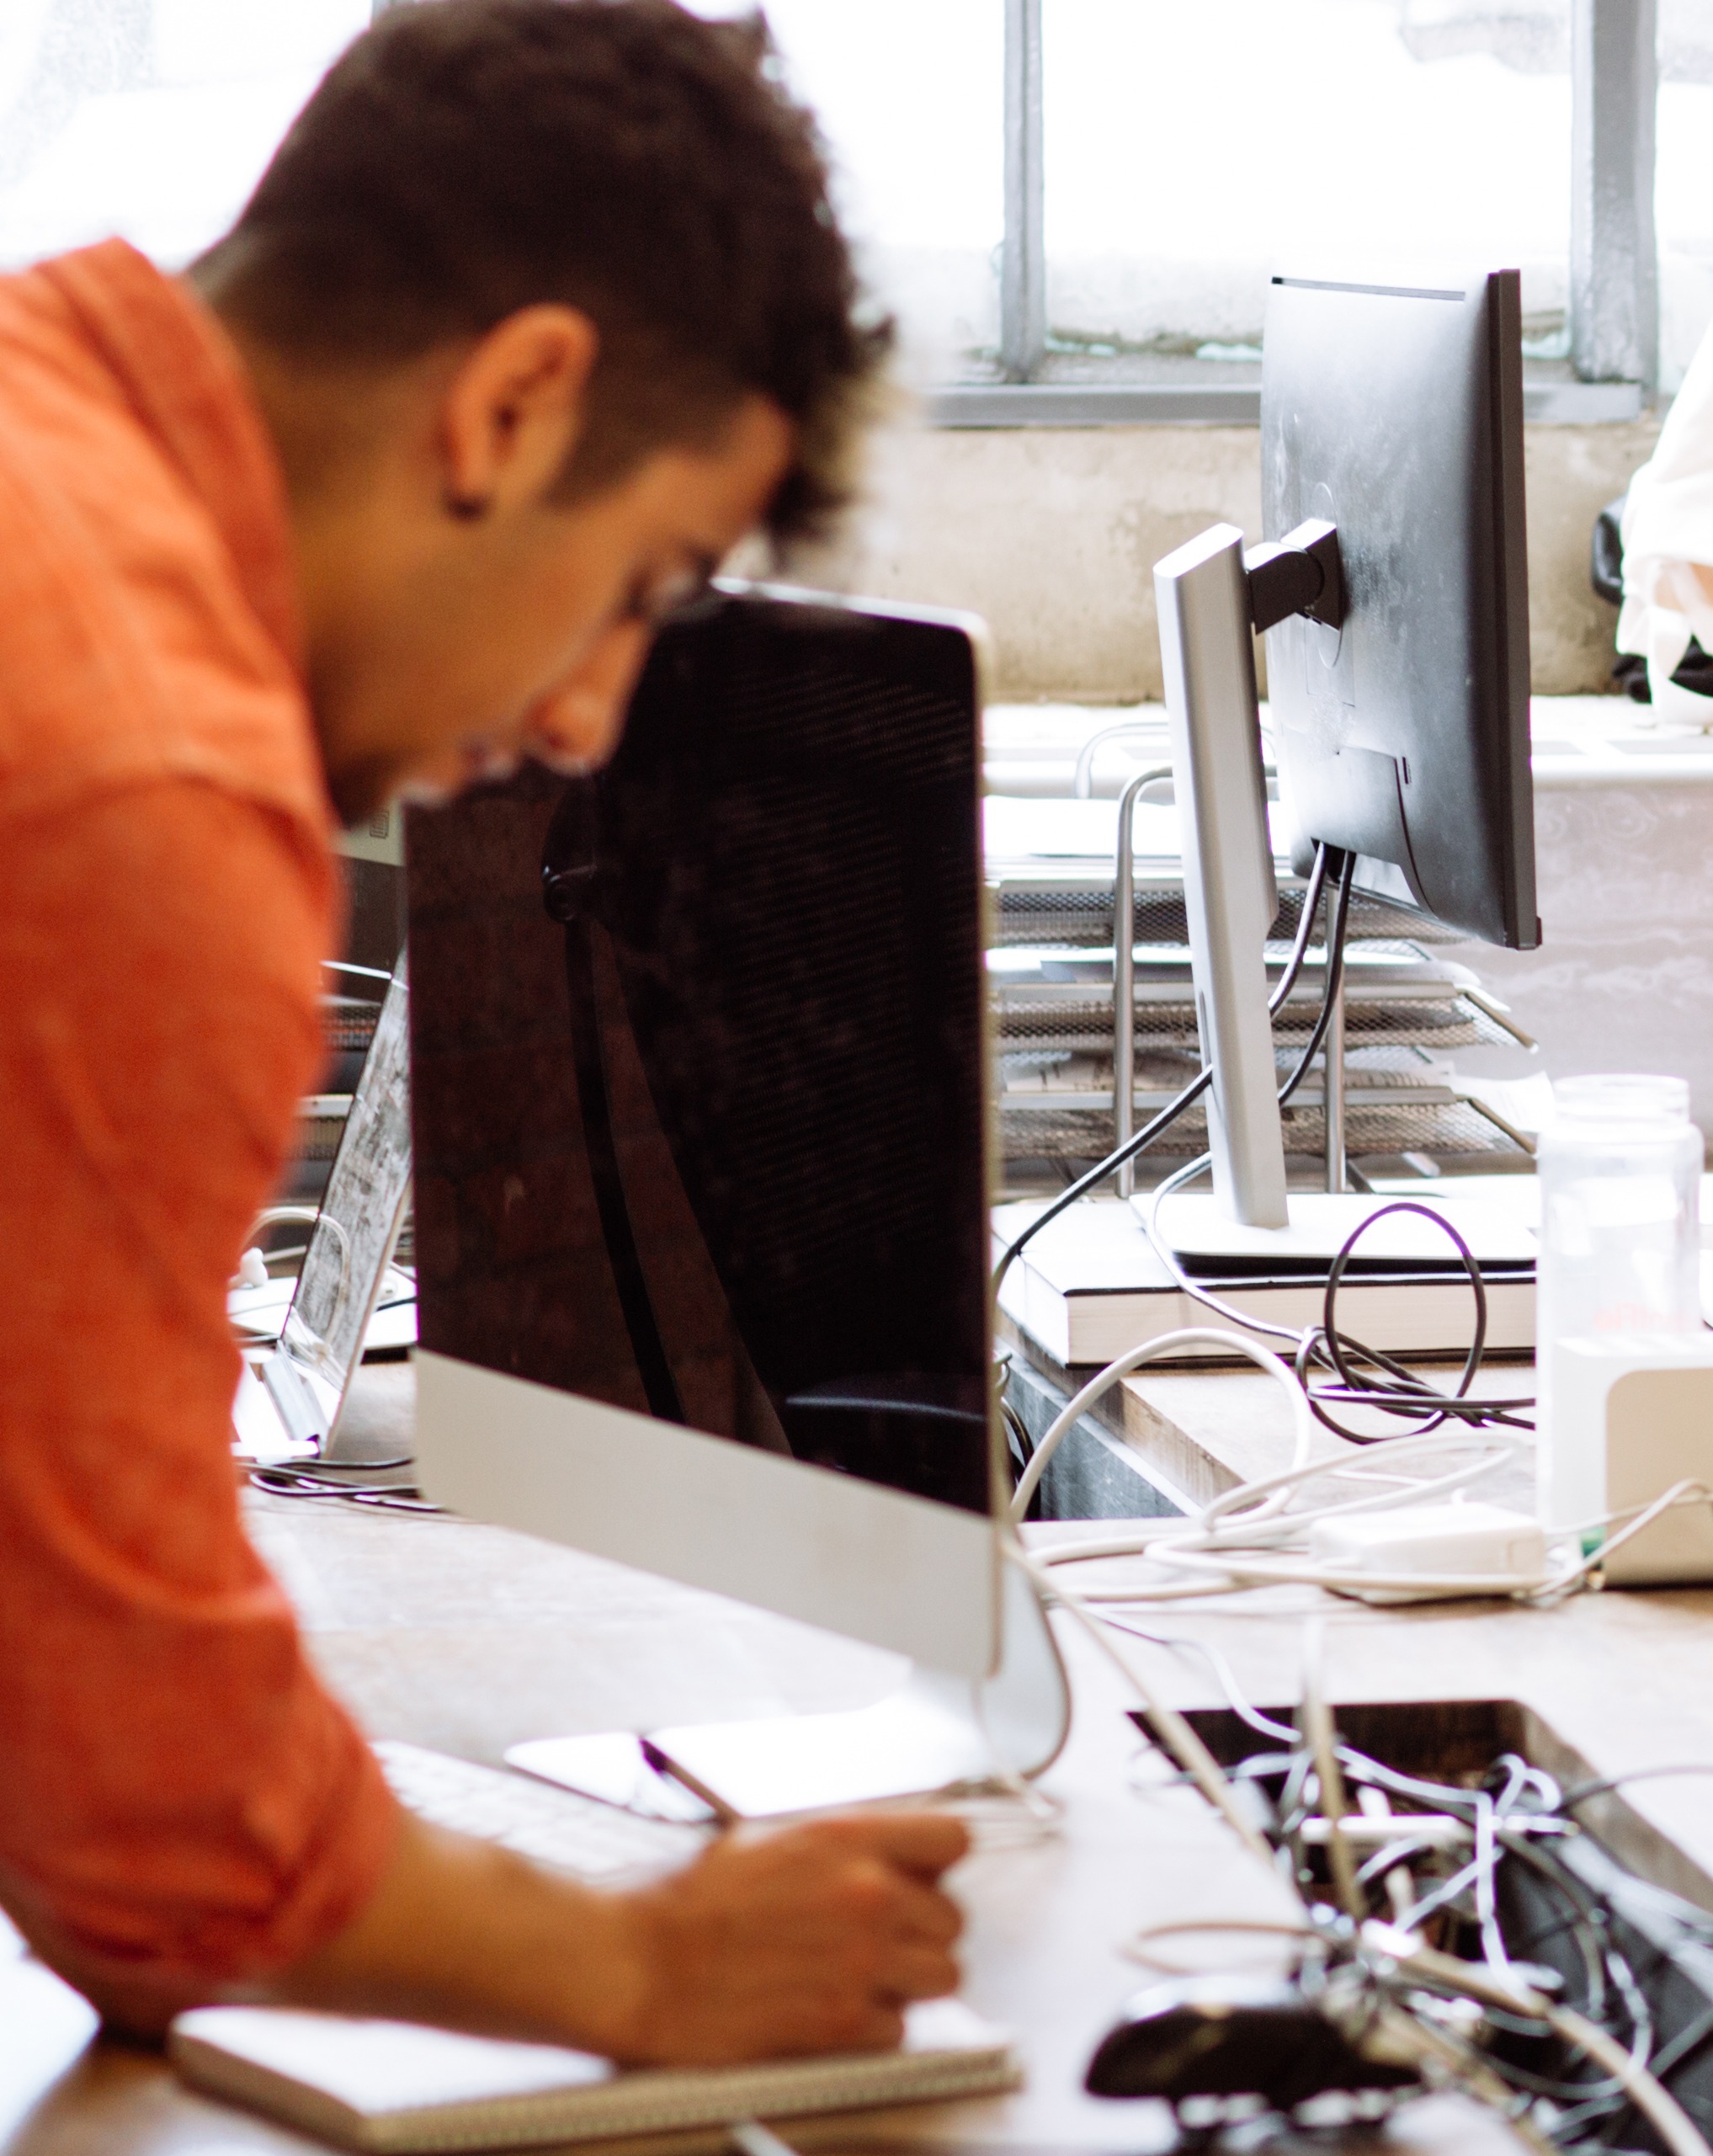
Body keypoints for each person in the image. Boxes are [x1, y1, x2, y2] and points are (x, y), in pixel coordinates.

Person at [0, 0, 966, 2061]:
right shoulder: (142, 772)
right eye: (643, 582)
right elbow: (148, 1837)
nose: (589, 721)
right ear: (516, 406)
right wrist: (651, 1966)